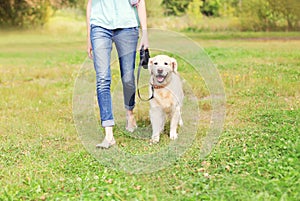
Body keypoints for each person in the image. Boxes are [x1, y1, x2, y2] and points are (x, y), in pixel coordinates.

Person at [86, 0, 149, 148]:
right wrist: (89, 36)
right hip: (100, 26)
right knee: (102, 79)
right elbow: (90, 4)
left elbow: (140, 2)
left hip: (127, 27)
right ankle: (109, 134)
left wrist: (145, 34)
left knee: (128, 79)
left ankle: (130, 113)